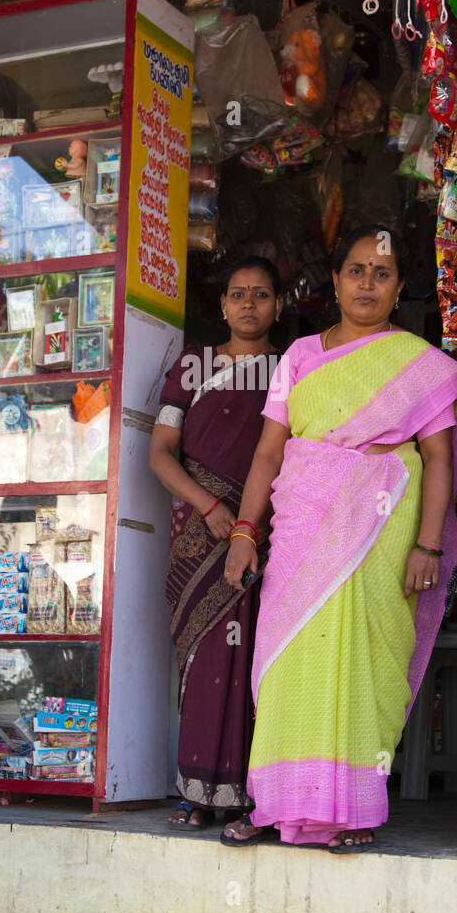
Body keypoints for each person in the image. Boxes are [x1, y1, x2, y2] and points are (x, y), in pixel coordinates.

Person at [221, 225, 457, 851]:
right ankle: (276, 801)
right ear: (333, 282)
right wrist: (245, 534)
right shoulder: (301, 355)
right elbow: (267, 453)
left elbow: (438, 459)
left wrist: (429, 546)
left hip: (382, 525)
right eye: (355, 270)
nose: (367, 283)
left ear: (399, 287)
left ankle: (351, 811)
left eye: (381, 273)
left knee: (366, 661)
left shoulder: (419, 364)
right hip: (304, 522)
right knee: (284, 664)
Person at [149, 257, 282, 829]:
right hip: (199, 533)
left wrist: (248, 521)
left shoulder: (292, 369)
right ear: (222, 305)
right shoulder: (193, 366)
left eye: (260, 294)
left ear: (279, 305)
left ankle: (252, 794)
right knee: (204, 654)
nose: (248, 304)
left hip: (267, 530)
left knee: (256, 655)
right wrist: (209, 506)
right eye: (237, 294)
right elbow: (159, 453)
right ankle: (195, 787)